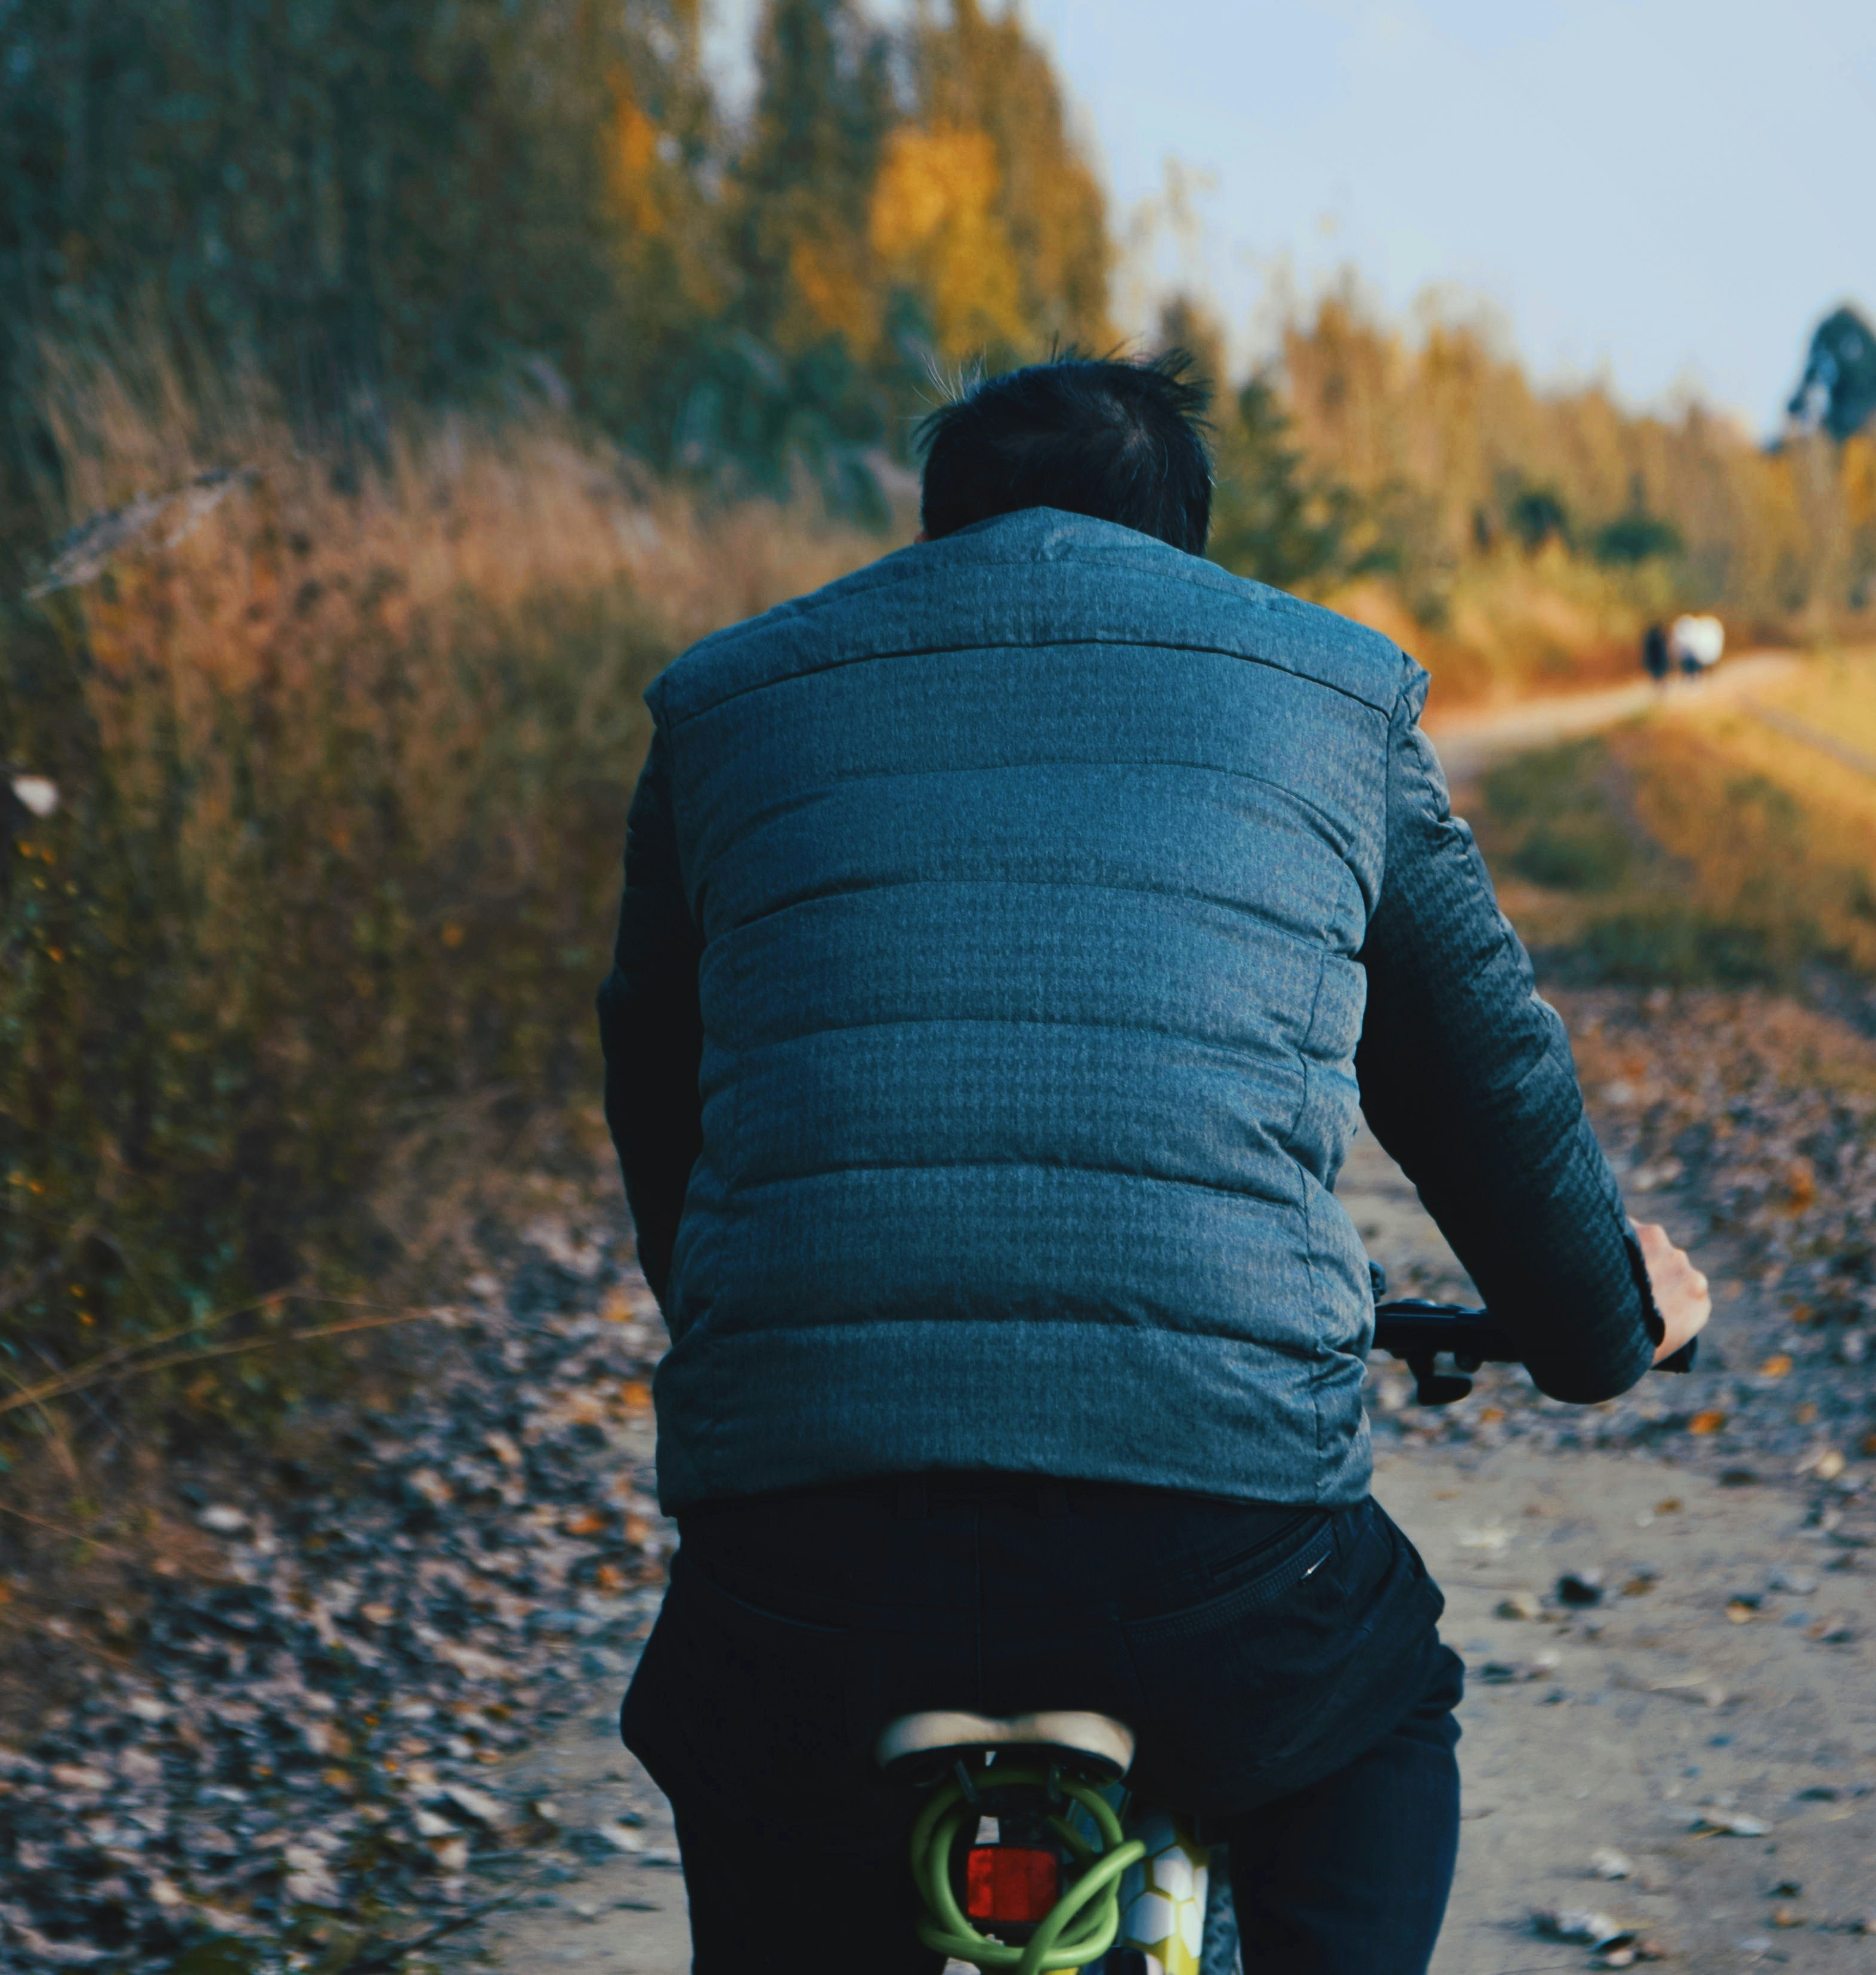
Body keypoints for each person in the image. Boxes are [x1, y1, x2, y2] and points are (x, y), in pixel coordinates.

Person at [597, 353, 1712, 1973]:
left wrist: (771, 1356)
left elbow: (663, 1103)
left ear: (935, 530)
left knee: (763, 1795)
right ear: (1187, 542)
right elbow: (1489, 1085)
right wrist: (1606, 1324)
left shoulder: (723, 708)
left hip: (805, 1565)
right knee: (1381, 1720)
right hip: (1212, 1557)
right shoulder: (1334, 698)